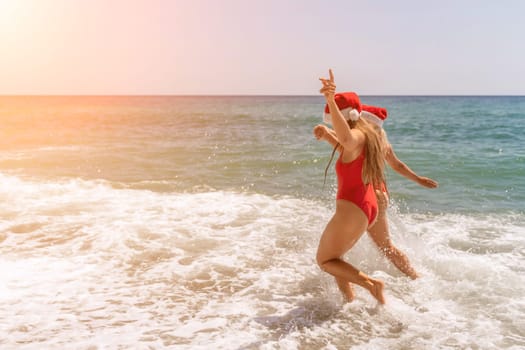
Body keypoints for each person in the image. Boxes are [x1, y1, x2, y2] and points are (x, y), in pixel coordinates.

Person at [313, 69, 386, 304]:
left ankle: (372, 285)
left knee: (325, 260)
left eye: (334, 118)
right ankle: (349, 301)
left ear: (346, 116)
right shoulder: (364, 135)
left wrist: (330, 101)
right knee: (337, 258)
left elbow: (346, 140)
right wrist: (327, 136)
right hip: (362, 205)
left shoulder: (357, 134)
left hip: (353, 208)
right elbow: (347, 149)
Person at [361, 105, 438, 279]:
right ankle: (412, 276)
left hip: (371, 196)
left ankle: (415, 277)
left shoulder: (362, 142)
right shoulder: (382, 142)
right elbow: (397, 165)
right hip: (380, 194)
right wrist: (418, 179)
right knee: (385, 247)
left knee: (386, 247)